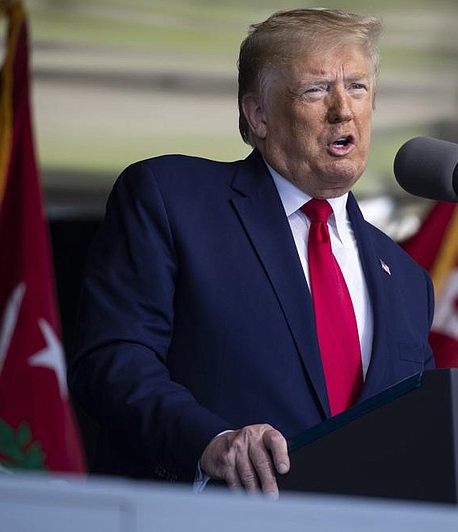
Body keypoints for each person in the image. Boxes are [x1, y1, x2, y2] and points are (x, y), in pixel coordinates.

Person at [68, 8, 435, 497]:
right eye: (316, 89)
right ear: (258, 115)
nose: (343, 110)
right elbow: (113, 360)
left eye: (358, 87)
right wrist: (210, 442)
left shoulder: (408, 279)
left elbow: (420, 430)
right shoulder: (172, 199)